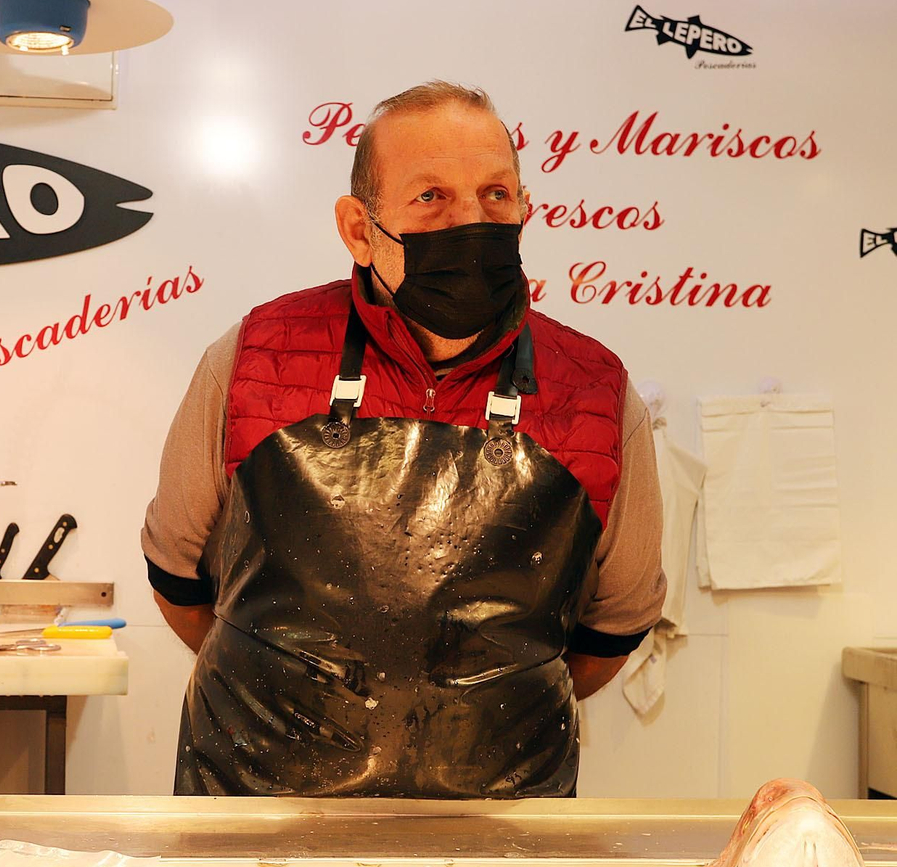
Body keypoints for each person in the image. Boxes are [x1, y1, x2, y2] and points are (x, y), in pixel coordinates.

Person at [141, 82, 666, 798]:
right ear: (359, 228)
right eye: (431, 198)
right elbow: (176, 576)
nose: (471, 221)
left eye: (494, 195)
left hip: (499, 840)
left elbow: (617, 626)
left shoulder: (597, 390)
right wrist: (286, 696)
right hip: (256, 823)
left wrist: (469, 730)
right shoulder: (252, 356)